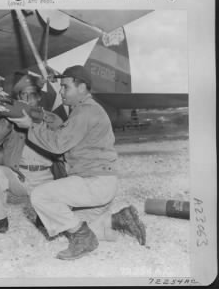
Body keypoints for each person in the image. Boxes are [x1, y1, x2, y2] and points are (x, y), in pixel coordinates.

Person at [8, 65, 146, 260]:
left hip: (94, 182)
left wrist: (31, 127)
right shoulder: (88, 110)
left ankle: (83, 240)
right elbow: (65, 141)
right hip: (102, 182)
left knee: (40, 196)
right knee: (70, 224)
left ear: (82, 88)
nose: (62, 92)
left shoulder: (84, 111)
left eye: (66, 87)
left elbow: (58, 144)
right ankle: (119, 219)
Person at [0, 74, 62, 238]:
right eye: (23, 97)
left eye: (32, 96)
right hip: (20, 177)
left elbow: (60, 130)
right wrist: (9, 118)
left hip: (45, 179)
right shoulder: (11, 122)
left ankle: (42, 214)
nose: (28, 101)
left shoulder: (50, 119)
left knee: (54, 226)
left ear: (39, 98)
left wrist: (38, 119)